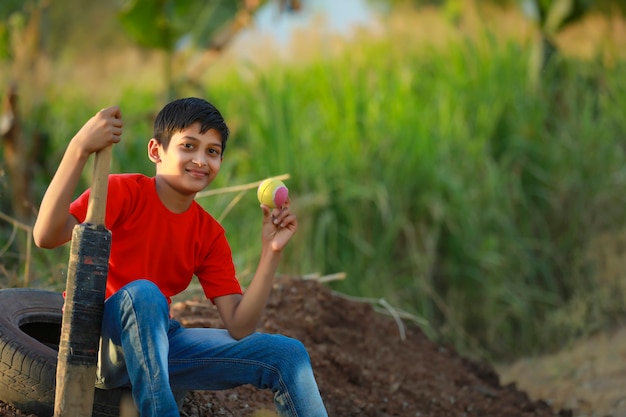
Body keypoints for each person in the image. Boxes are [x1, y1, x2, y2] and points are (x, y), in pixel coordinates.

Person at [33, 97, 328, 417]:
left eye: (212, 151)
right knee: (145, 294)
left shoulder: (209, 233)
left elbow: (240, 326)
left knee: (288, 354)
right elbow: (45, 236)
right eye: (189, 146)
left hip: (158, 343)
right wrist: (79, 148)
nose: (201, 160)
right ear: (155, 151)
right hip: (97, 343)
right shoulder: (122, 192)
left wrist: (271, 252)